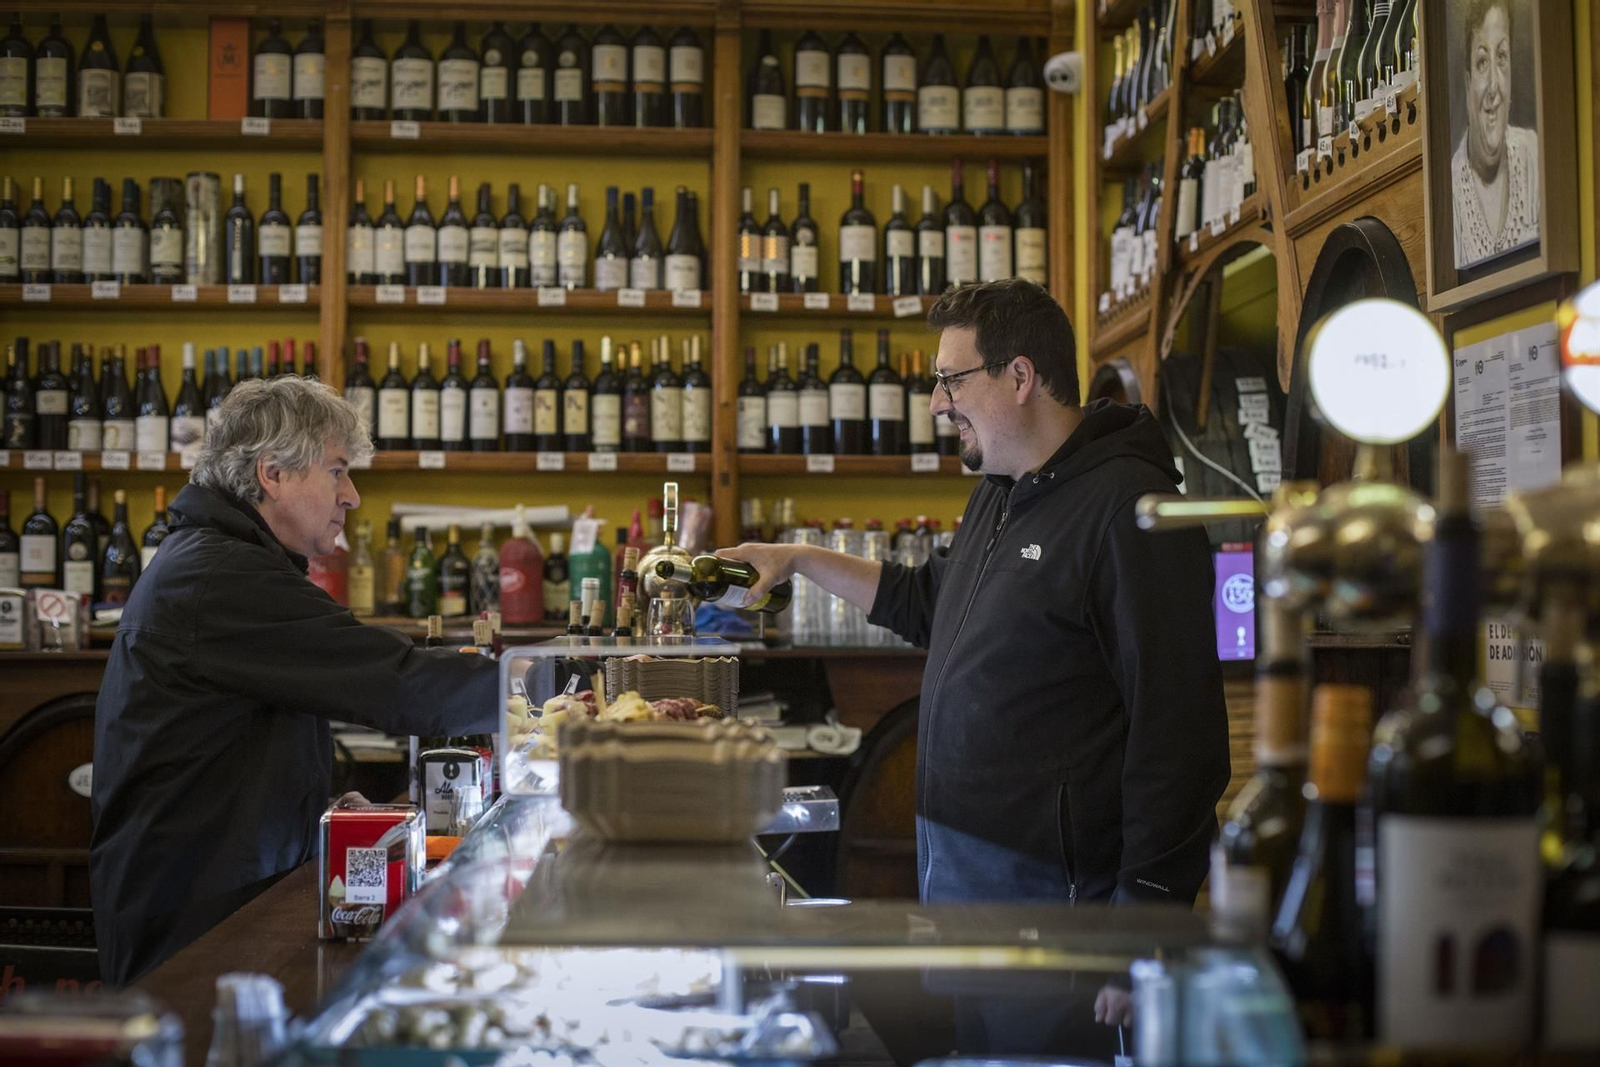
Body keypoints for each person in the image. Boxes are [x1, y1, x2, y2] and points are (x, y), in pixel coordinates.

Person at [721, 279, 1230, 910]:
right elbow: (927, 601)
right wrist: (796, 558)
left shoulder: (1131, 511)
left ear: (1020, 376)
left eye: (952, 381)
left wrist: (1145, 918)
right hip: (963, 882)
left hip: (1062, 905)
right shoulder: (1001, 487)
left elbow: (1180, 736)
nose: (937, 404)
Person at [90, 376, 500, 985]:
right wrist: (541, 684)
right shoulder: (220, 575)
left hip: (208, 896)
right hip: (191, 928)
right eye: (338, 470)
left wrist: (319, 808)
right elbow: (395, 681)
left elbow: (230, 751)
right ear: (272, 474)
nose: (352, 496)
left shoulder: (225, 561)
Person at [1451, 0, 1538, 269]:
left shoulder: (1533, 154)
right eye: (1481, 62)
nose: (1493, 87)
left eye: (1501, 58)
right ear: (1467, 84)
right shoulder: (1451, 187)